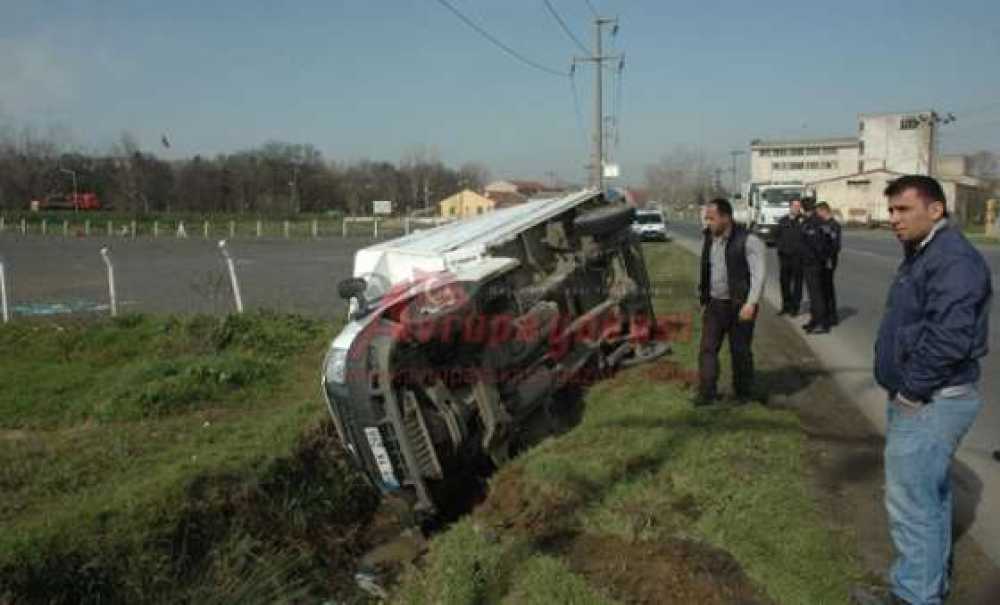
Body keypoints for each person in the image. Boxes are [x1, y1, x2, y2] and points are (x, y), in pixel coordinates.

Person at [853, 175, 992, 605]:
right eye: (891, 210)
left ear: (935, 210)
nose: (893, 219)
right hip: (926, 398)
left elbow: (949, 337)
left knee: (912, 507)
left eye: (903, 210)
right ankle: (927, 588)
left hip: (931, 401)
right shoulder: (924, 252)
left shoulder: (952, 259)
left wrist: (911, 392)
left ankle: (914, 596)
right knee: (929, 503)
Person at [696, 198, 767, 405]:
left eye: (712, 218)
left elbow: (758, 274)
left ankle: (743, 393)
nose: (707, 222)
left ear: (726, 217)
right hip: (715, 305)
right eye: (706, 218)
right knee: (707, 349)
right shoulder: (709, 238)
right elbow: (706, 269)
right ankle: (707, 393)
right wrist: (703, 298)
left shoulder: (748, 240)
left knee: (740, 351)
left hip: (740, 305)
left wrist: (751, 303)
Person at [800, 198, 833, 334]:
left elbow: (818, 244)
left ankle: (821, 323)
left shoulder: (812, 223)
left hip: (813, 263)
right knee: (814, 294)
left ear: (803, 208)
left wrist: (818, 259)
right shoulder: (818, 221)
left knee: (816, 295)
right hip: (813, 263)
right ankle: (814, 320)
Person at [774, 198, 806, 316]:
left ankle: (795, 308)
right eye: (794, 206)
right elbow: (776, 236)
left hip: (798, 257)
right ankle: (785, 306)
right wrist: (780, 248)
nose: (796, 208)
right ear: (790, 207)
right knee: (784, 283)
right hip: (785, 257)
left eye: (798, 206)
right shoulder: (783, 221)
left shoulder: (804, 221)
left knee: (797, 284)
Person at [815, 202, 842, 325]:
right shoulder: (822, 224)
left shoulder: (833, 225)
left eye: (818, 212)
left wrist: (827, 256)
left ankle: (831, 316)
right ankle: (825, 314)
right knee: (822, 288)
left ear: (824, 211)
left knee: (828, 288)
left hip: (829, 260)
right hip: (821, 260)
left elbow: (835, 245)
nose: (817, 214)